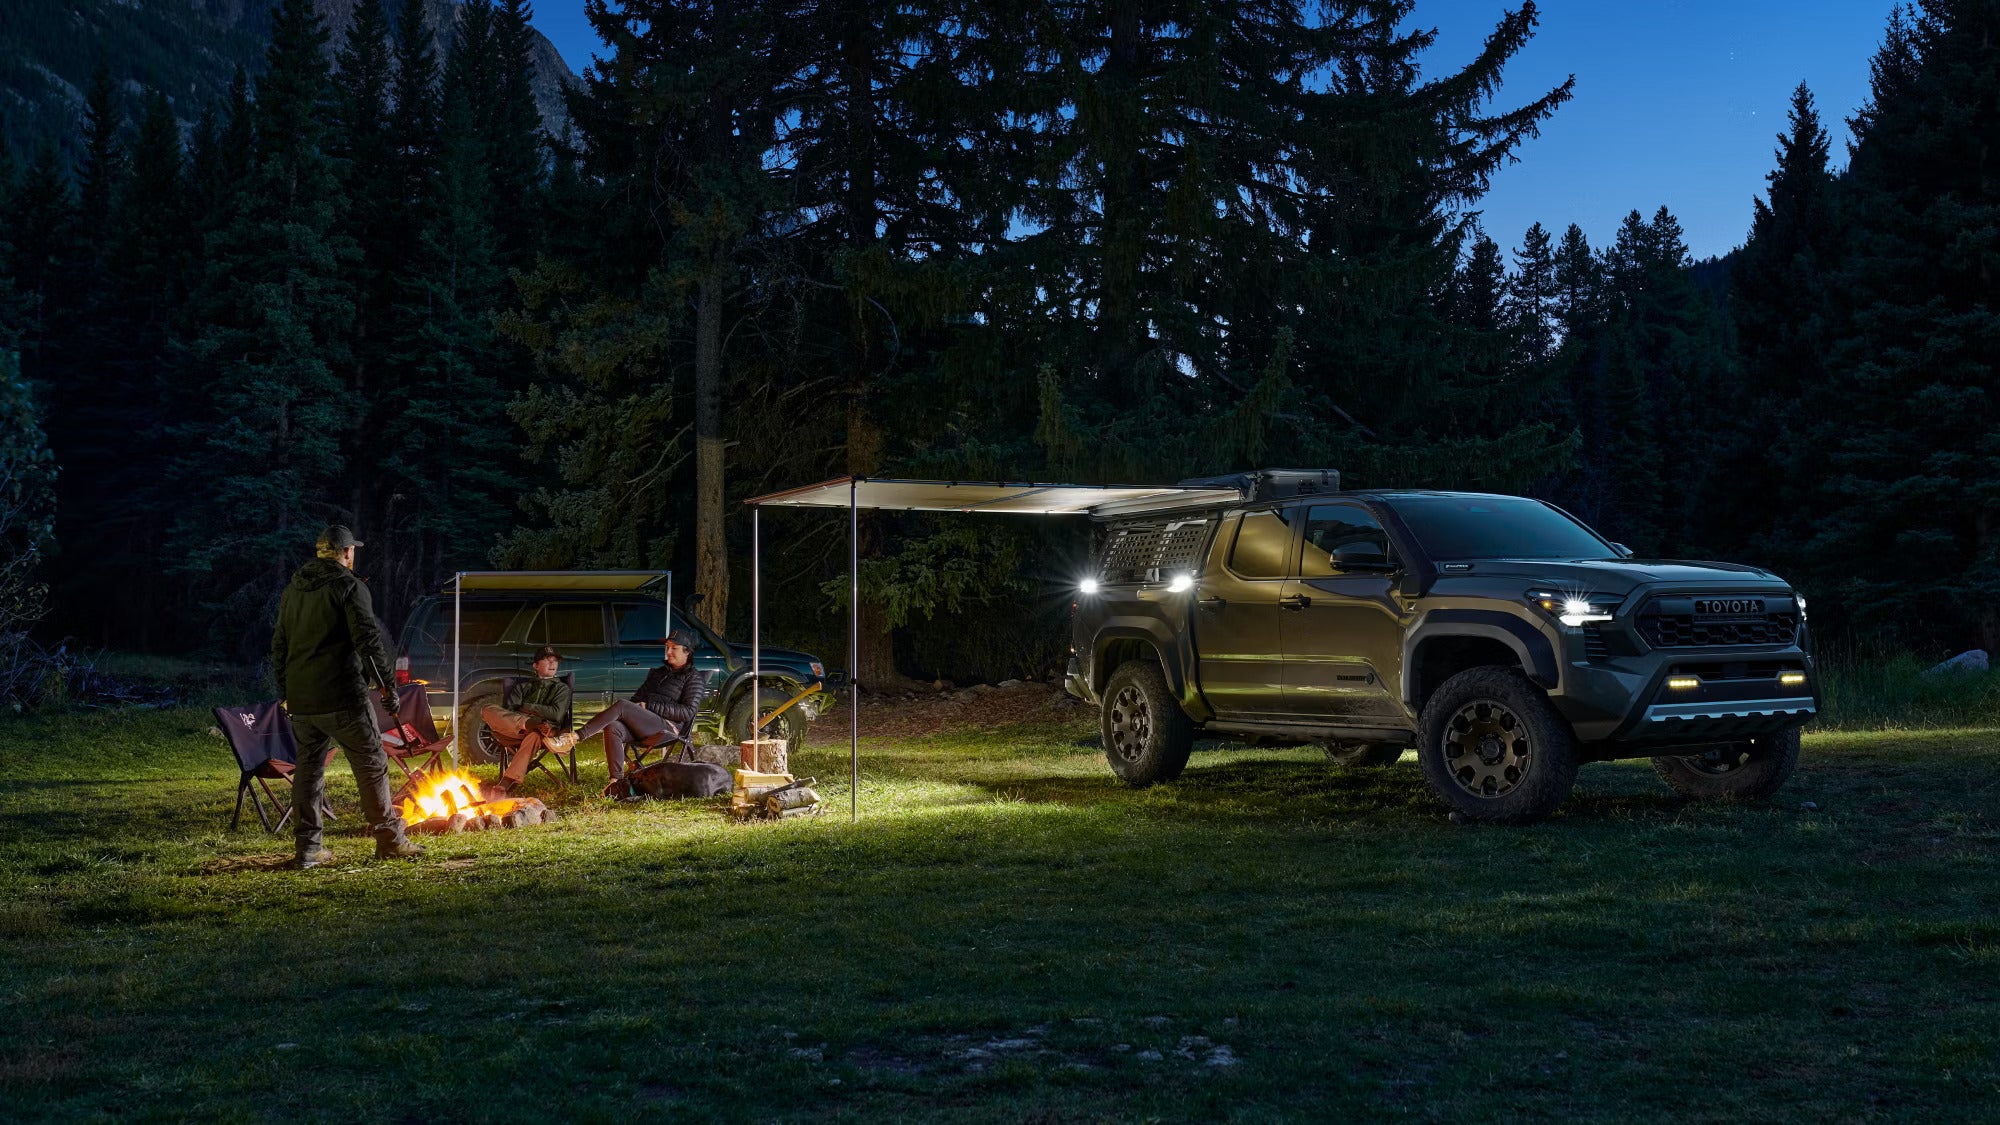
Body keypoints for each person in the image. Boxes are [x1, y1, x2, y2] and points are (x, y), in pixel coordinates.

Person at [270, 525, 424, 868]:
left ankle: (308, 849)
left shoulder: (294, 590)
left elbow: (279, 645)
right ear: (347, 552)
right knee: (371, 763)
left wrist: (286, 691)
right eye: (353, 550)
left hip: (303, 698)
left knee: (309, 770)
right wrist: (387, 687)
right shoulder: (349, 586)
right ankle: (390, 840)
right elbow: (368, 643)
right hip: (341, 694)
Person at [575, 627, 708, 784]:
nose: (668, 652)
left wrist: (649, 706)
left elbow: (688, 712)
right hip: (645, 726)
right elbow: (637, 698)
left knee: (622, 705)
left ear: (687, 652)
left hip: (667, 728)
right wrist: (636, 708)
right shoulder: (657, 673)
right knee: (613, 727)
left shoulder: (694, 678)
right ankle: (616, 783)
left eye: (674, 648)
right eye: (667, 647)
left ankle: (575, 737)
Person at [481, 645, 578, 795]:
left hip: (544, 733)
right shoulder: (522, 687)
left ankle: (505, 784)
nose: (552, 664)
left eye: (555, 661)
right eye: (547, 660)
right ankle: (529, 724)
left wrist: (526, 706)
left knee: (534, 736)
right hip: (514, 730)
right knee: (487, 709)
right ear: (535, 665)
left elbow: (556, 714)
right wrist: (530, 719)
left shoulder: (561, 689)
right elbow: (510, 711)